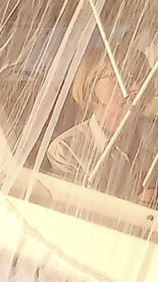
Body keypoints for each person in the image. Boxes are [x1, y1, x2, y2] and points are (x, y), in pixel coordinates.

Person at [46, 46, 144, 199]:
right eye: (121, 77)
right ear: (91, 84)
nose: (136, 88)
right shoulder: (67, 149)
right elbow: (78, 211)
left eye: (141, 78)